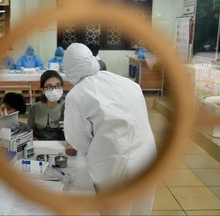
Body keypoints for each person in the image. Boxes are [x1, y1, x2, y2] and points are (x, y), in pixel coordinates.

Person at [63, 43, 157, 215]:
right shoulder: (125, 82)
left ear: (68, 70)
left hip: (116, 165)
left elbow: (77, 139)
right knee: (141, 209)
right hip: (148, 155)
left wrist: (94, 155)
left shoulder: (76, 95)